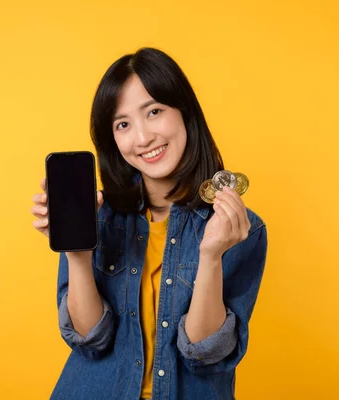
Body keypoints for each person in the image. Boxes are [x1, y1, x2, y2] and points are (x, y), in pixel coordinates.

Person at [31, 47, 268, 400]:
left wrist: (211, 256)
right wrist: (77, 254)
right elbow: (89, 341)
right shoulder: (98, 216)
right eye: (123, 124)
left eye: (154, 111)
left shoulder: (239, 228)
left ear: (184, 112)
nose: (142, 138)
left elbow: (206, 355)